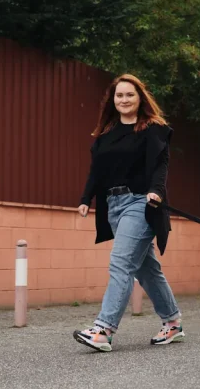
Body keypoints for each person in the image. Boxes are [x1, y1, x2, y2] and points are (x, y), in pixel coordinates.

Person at [72, 73, 184, 352]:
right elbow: (96, 170)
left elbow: (161, 164)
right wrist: (86, 197)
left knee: (121, 263)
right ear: (113, 100)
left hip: (141, 203)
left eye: (129, 94)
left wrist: (156, 191)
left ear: (140, 97)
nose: (124, 99)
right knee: (147, 270)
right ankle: (172, 324)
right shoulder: (105, 135)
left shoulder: (153, 129)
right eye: (119, 95)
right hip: (114, 205)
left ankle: (103, 330)